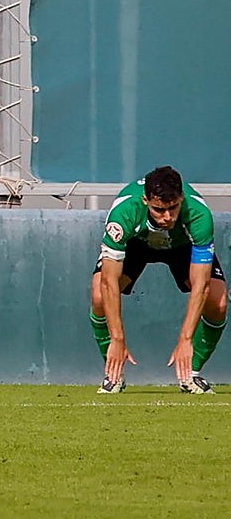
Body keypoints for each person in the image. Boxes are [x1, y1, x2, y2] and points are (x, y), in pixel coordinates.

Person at [91, 165, 227, 394]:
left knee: (218, 302)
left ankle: (190, 374)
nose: (167, 217)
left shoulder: (199, 215)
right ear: (145, 201)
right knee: (98, 296)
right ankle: (113, 374)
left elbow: (200, 286)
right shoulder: (124, 213)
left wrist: (186, 339)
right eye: (159, 210)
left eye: (173, 208)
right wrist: (117, 338)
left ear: (181, 197)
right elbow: (108, 283)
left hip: (182, 245)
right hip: (137, 244)